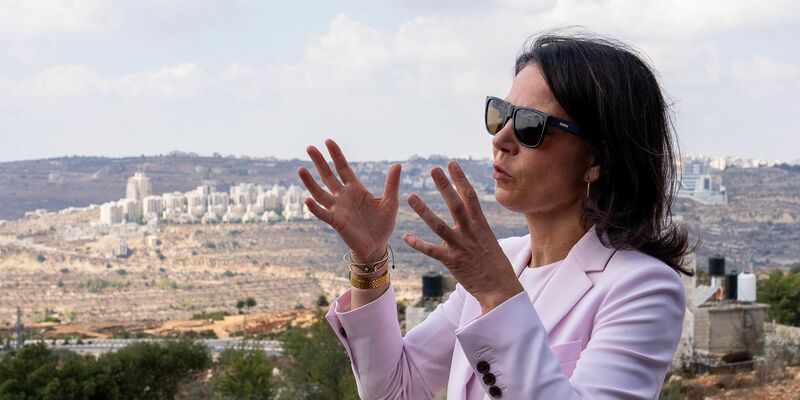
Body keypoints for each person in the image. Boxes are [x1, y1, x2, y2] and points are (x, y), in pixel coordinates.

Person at [297, 30, 694, 399]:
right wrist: (370, 263)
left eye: (530, 126)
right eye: (500, 114)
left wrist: (498, 293)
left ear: (597, 160)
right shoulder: (505, 262)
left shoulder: (642, 288)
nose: (501, 138)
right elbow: (396, 390)